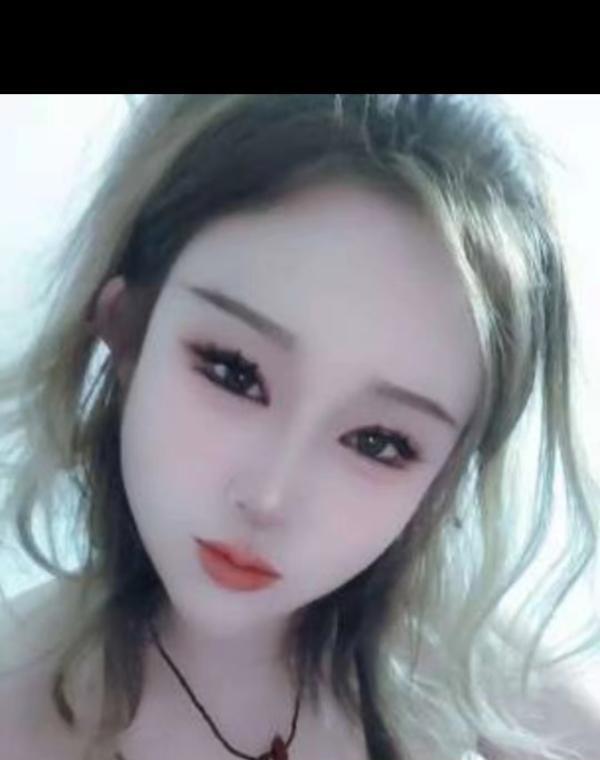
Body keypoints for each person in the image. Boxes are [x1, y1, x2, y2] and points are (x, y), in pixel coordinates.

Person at [0, 94, 599, 760]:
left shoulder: (469, 675)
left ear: (446, 475)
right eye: (233, 372)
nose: (270, 497)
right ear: (127, 330)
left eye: (379, 442)